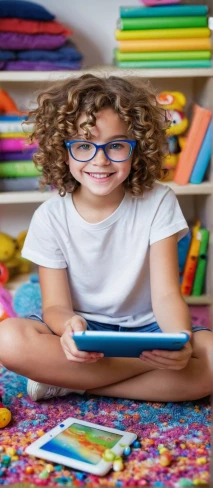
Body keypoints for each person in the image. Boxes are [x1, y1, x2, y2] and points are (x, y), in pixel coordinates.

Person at [0, 74, 212, 402]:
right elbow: (55, 306)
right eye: (84, 145)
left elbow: (167, 295)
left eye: (115, 145)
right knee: (7, 339)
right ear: (63, 150)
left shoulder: (159, 201)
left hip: (150, 330)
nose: (100, 160)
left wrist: (180, 341)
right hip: (84, 332)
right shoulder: (50, 217)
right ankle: (106, 374)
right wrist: (68, 325)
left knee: (209, 357)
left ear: (136, 147)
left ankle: (75, 383)